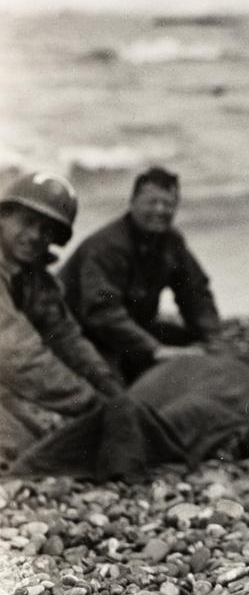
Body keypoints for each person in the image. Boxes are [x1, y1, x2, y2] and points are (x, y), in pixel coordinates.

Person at [0, 172, 125, 469]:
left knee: (37, 444)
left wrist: (114, 392)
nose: (34, 236)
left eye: (46, 231)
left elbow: (65, 336)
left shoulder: (33, 277)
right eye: (27, 222)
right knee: (17, 453)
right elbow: (17, 356)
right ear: (4, 216)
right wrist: (90, 403)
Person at [59, 166, 221, 382]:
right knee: (114, 392)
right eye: (152, 202)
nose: (160, 210)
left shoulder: (171, 242)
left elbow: (195, 293)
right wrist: (154, 350)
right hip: (82, 334)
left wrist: (213, 340)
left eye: (169, 204)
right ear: (133, 202)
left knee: (204, 351)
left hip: (131, 331)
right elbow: (102, 313)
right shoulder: (106, 247)